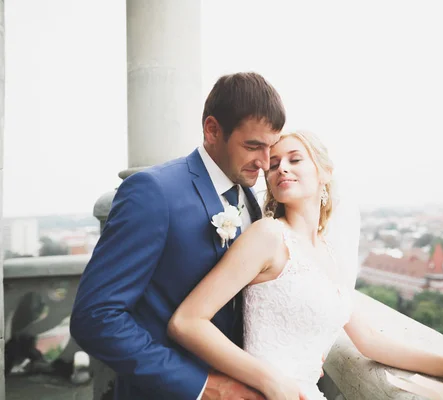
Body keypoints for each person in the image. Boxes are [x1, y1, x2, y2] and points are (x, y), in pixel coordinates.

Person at [167, 131, 443, 400]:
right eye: (274, 164)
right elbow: (187, 321)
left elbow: (371, 342)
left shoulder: (331, 254)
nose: (282, 169)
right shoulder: (268, 235)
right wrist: (271, 381)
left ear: (324, 171)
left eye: (295, 159)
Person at [70, 72, 286, 399]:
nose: (265, 162)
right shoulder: (153, 192)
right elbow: (95, 317)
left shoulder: (248, 196)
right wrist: (202, 387)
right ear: (212, 130)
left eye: (271, 147)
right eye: (253, 146)